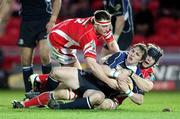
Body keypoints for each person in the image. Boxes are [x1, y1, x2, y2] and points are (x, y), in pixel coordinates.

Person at [12, 43, 147, 109]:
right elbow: (102, 68)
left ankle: (59, 107)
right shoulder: (120, 55)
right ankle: (39, 92)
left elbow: (140, 100)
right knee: (56, 72)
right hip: (88, 79)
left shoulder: (137, 75)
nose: (132, 55)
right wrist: (117, 74)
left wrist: (127, 91)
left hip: (99, 92)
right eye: (132, 51)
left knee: (95, 98)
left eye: (136, 55)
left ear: (140, 60)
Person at [98, 43, 164, 109]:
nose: (149, 59)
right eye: (149, 55)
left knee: (104, 105)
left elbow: (148, 87)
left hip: (116, 97)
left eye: (153, 59)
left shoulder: (148, 73)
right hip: (105, 85)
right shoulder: (127, 56)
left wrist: (131, 74)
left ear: (154, 63)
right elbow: (102, 62)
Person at [17, 0, 61, 93]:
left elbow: (57, 0)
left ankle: (48, 93)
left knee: (45, 55)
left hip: (45, 20)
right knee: (25, 61)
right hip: (27, 21)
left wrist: (53, 20)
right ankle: (30, 93)